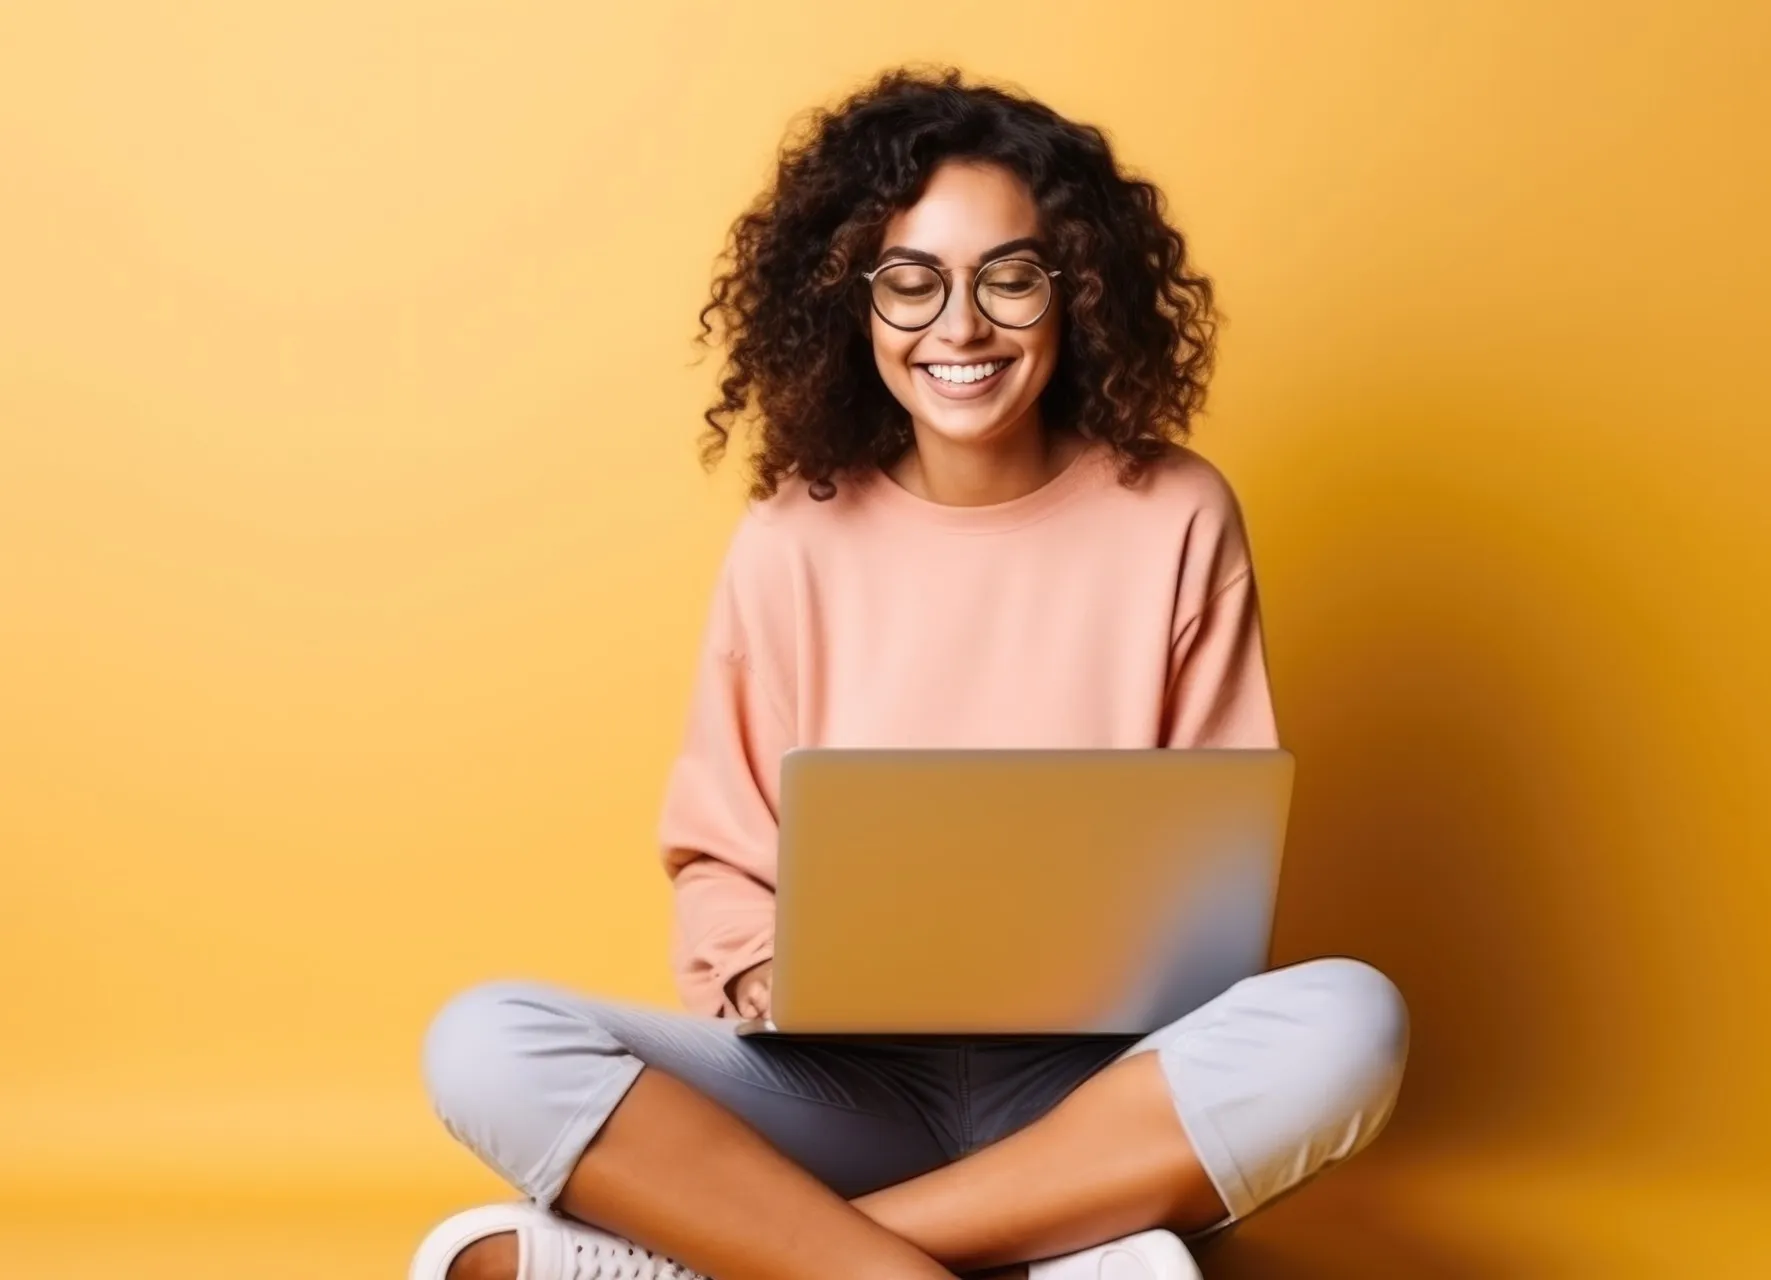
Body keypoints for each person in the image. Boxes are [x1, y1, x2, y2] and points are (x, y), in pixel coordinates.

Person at [410, 67, 1408, 1280]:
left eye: (1010, 277)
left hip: (1091, 1095)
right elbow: (721, 857)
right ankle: (1040, 1253)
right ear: (854, 301)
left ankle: (770, 1257)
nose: (961, 326)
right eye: (912, 281)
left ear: (1077, 288)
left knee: (1350, 1018)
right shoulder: (793, 536)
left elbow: (1216, 867)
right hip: (837, 1088)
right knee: (486, 1042)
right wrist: (768, 973)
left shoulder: (1178, 515)